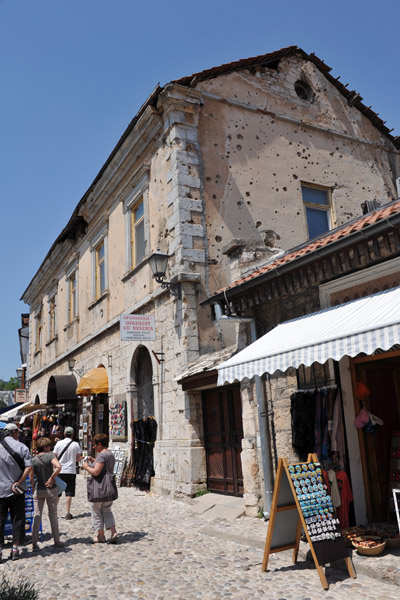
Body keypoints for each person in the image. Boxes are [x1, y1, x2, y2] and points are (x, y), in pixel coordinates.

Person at [0, 423, 33, 562]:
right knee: (17, 519)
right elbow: (29, 466)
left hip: (0, 490)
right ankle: (15, 549)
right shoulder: (22, 447)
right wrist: (19, 481)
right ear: (13, 432)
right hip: (17, 490)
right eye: (17, 433)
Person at [81, 433, 118, 544]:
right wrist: (94, 460)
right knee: (107, 510)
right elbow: (104, 467)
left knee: (96, 511)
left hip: (99, 488)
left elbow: (96, 472)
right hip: (109, 487)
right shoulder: (110, 454)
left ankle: (101, 536)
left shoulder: (102, 455)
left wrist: (86, 466)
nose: (93, 447)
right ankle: (114, 532)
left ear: (100, 444)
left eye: (95, 445)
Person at [31, 437, 63, 549]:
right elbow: (59, 467)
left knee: (37, 515)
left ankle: (34, 542)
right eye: (49, 446)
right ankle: (57, 541)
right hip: (51, 489)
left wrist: (33, 487)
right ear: (45, 446)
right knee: (53, 514)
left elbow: (31, 477)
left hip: (38, 489)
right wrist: (51, 478)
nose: (50, 448)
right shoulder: (50, 456)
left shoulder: (34, 459)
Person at [54, 426, 82, 519]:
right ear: (73, 435)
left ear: (64, 434)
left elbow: (54, 456)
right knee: (69, 492)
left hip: (60, 470)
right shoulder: (76, 445)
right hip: (71, 471)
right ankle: (67, 512)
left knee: (58, 492)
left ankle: (54, 512)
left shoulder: (59, 443)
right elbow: (78, 459)